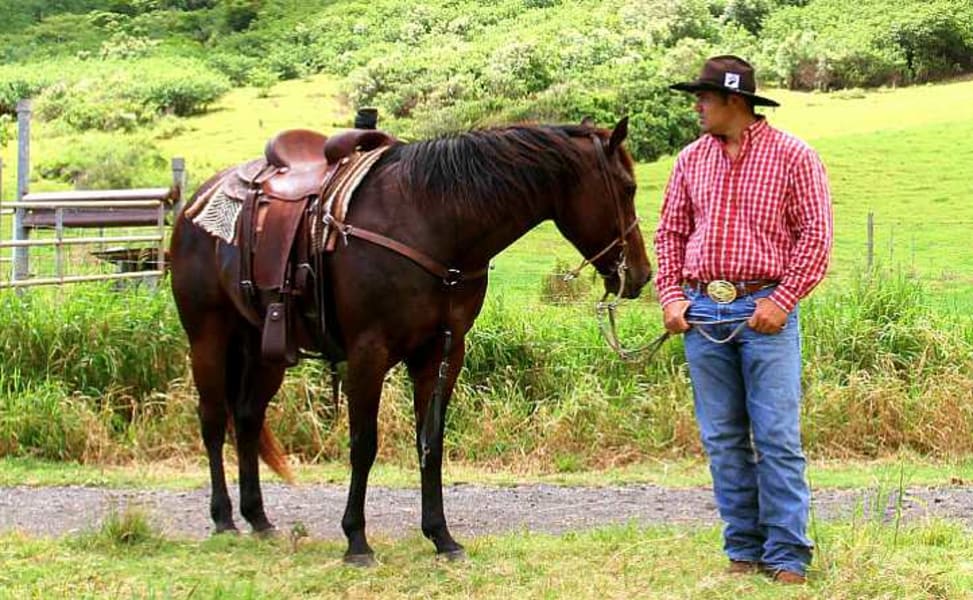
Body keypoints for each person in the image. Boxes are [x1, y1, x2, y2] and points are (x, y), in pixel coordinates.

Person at [653, 55, 833, 584]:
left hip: (765, 306)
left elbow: (816, 238)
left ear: (735, 101)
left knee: (776, 435)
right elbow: (670, 234)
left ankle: (787, 556)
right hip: (703, 309)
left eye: (704, 97)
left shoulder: (794, 157)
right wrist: (670, 296)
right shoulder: (690, 160)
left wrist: (783, 300)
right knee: (722, 436)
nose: (696, 106)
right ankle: (743, 549)